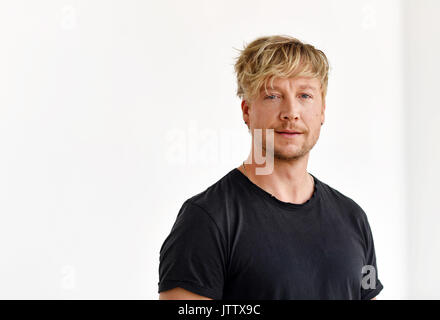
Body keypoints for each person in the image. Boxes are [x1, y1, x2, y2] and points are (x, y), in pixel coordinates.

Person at [158, 35, 383, 300]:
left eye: (305, 95)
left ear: (322, 110)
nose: (291, 112)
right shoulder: (207, 220)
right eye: (273, 96)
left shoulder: (353, 218)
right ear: (247, 111)